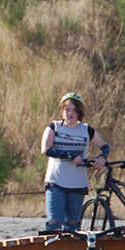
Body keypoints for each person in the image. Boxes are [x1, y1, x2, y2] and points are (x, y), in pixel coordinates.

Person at [41, 92, 109, 234]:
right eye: (66, 110)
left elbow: (105, 146)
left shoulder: (86, 130)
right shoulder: (54, 127)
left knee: (72, 228)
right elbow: (46, 150)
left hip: (77, 184)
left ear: (79, 113)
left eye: (74, 110)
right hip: (56, 181)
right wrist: (69, 155)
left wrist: (102, 157)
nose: (70, 113)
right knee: (54, 225)